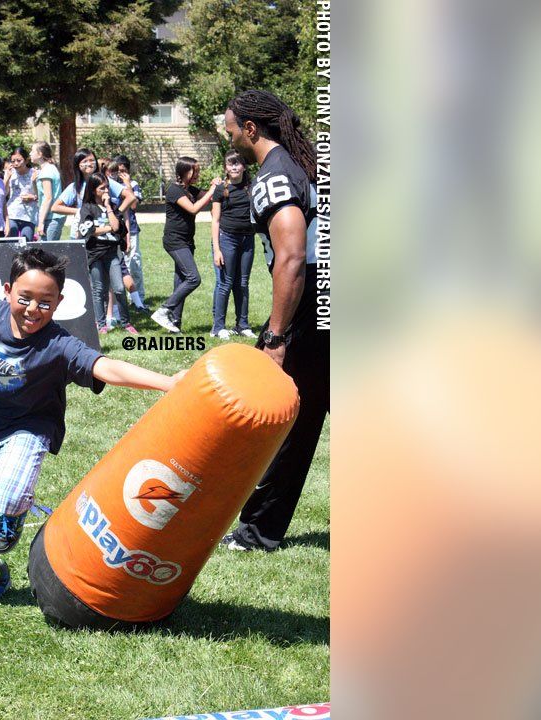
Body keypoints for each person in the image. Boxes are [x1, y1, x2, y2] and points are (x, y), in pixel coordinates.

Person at [0, 247, 182, 607]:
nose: (32, 309)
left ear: (57, 303)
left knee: (9, 491)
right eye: (24, 298)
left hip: (31, 425)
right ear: (7, 290)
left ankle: (13, 514)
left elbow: (106, 367)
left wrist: (167, 383)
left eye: (45, 302)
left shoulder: (59, 344)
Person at [219, 89, 328, 553]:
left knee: (291, 419)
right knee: (302, 417)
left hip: (316, 304)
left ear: (250, 129)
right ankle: (259, 529)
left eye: (229, 129)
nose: (226, 137)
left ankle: (259, 530)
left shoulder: (274, 177)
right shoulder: (305, 166)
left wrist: (277, 335)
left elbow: (291, 258)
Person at [151, 157, 221, 333]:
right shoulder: (174, 190)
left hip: (187, 241)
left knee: (181, 281)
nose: (197, 174)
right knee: (193, 278)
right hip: (175, 241)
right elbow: (193, 208)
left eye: (198, 171)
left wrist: (219, 186)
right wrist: (212, 190)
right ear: (183, 172)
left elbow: (209, 196)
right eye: (194, 171)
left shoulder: (189, 189)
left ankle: (174, 323)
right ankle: (164, 310)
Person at [74, 173, 137, 335]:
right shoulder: (87, 208)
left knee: (118, 288)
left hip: (112, 253)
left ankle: (126, 322)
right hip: (95, 254)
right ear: (94, 190)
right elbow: (87, 230)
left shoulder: (113, 207)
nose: (106, 191)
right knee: (98, 289)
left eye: (107, 187)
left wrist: (108, 206)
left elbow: (118, 227)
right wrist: (108, 228)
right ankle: (101, 324)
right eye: (102, 188)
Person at [210, 150, 258, 339]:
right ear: (226, 168)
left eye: (238, 163)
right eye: (231, 164)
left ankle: (242, 325)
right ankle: (218, 327)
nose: (235, 167)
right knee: (226, 283)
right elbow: (215, 220)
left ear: (244, 166)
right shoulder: (221, 189)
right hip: (227, 239)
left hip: (247, 239)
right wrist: (217, 249)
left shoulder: (252, 187)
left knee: (243, 283)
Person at [108, 155, 148, 313]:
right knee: (118, 266)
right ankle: (119, 301)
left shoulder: (133, 184)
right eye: (117, 171)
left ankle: (139, 300)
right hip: (115, 232)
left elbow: (133, 206)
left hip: (131, 230)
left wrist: (127, 185)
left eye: (123, 171)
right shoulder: (109, 185)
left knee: (134, 264)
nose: (119, 174)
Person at [3, 146, 39, 242]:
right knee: (11, 243)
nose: (15, 163)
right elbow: (4, 194)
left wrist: (32, 197)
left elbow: (42, 196)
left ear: (26, 160)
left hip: (29, 215)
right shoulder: (11, 173)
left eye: (19, 160)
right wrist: (6, 179)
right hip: (12, 213)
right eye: (13, 161)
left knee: (26, 244)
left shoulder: (35, 173)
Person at [31, 142, 64, 241]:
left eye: (32, 151)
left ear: (40, 154)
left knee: (48, 251)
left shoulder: (47, 171)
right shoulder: (48, 169)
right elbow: (40, 196)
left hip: (51, 217)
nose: (30, 153)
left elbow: (48, 198)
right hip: (52, 216)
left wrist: (41, 222)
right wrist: (34, 182)